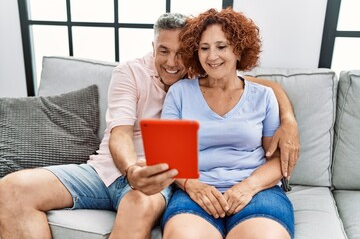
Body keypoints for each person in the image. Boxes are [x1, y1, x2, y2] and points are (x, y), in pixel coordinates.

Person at [0, 12, 297, 239]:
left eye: (181, 52)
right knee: (11, 188)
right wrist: (132, 171)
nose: (172, 62)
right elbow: (120, 134)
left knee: (140, 204)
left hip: (159, 177)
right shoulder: (136, 74)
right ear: (153, 47)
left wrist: (288, 118)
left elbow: (249, 86)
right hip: (115, 169)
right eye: (163, 51)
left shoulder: (202, 74)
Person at [161, 8, 294, 239]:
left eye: (221, 47)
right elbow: (169, 156)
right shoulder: (179, 93)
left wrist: (248, 187)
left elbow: (276, 160)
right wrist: (192, 185)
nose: (212, 56)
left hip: (256, 192)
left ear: (239, 50)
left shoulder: (264, 96)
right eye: (204, 48)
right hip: (195, 192)